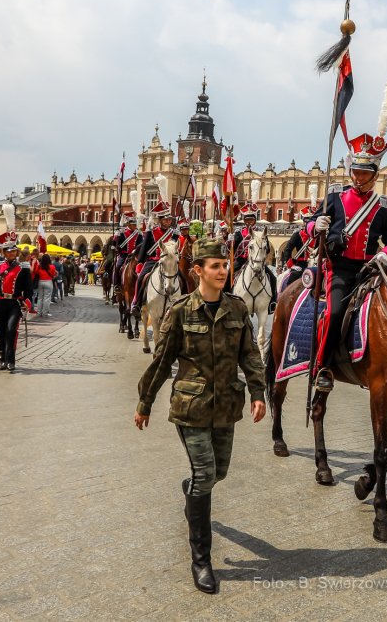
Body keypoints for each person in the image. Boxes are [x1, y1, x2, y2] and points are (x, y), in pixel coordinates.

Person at [135, 238, 266, 595]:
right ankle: (201, 559)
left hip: (226, 406)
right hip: (190, 407)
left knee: (215, 473)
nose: (223, 271)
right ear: (197, 271)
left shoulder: (238, 310)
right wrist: (145, 401)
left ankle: (191, 490)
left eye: (225, 265)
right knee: (206, 473)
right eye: (215, 266)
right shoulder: (179, 311)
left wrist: (258, 393)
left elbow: (250, 355)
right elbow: (162, 361)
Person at [309, 133, 387, 394]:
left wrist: (386, 254)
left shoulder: (384, 207)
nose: (358, 177)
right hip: (339, 269)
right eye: (356, 172)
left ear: (375, 175)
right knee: (336, 312)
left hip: (369, 270)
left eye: (364, 173)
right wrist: (316, 224)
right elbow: (308, 227)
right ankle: (323, 367)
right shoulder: (335, 197)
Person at [0, 240, 33, 371]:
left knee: (11, 330)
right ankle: (2, 359)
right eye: (9, 251)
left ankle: (11, 360)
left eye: (14, 251)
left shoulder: (24, 267)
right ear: (3, 252)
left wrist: (27, 303)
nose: (12, 253)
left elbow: (28, 289)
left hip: (15, 303)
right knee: (0, 332)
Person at [33, 254, 55, 318]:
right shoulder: (52, 267)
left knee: (40, 298)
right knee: (47, 298)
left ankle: (39, 312)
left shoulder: (39, 266)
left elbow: (36, 272)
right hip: (48, 282)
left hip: (40, 281)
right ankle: (45, 313)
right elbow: (53, 274)